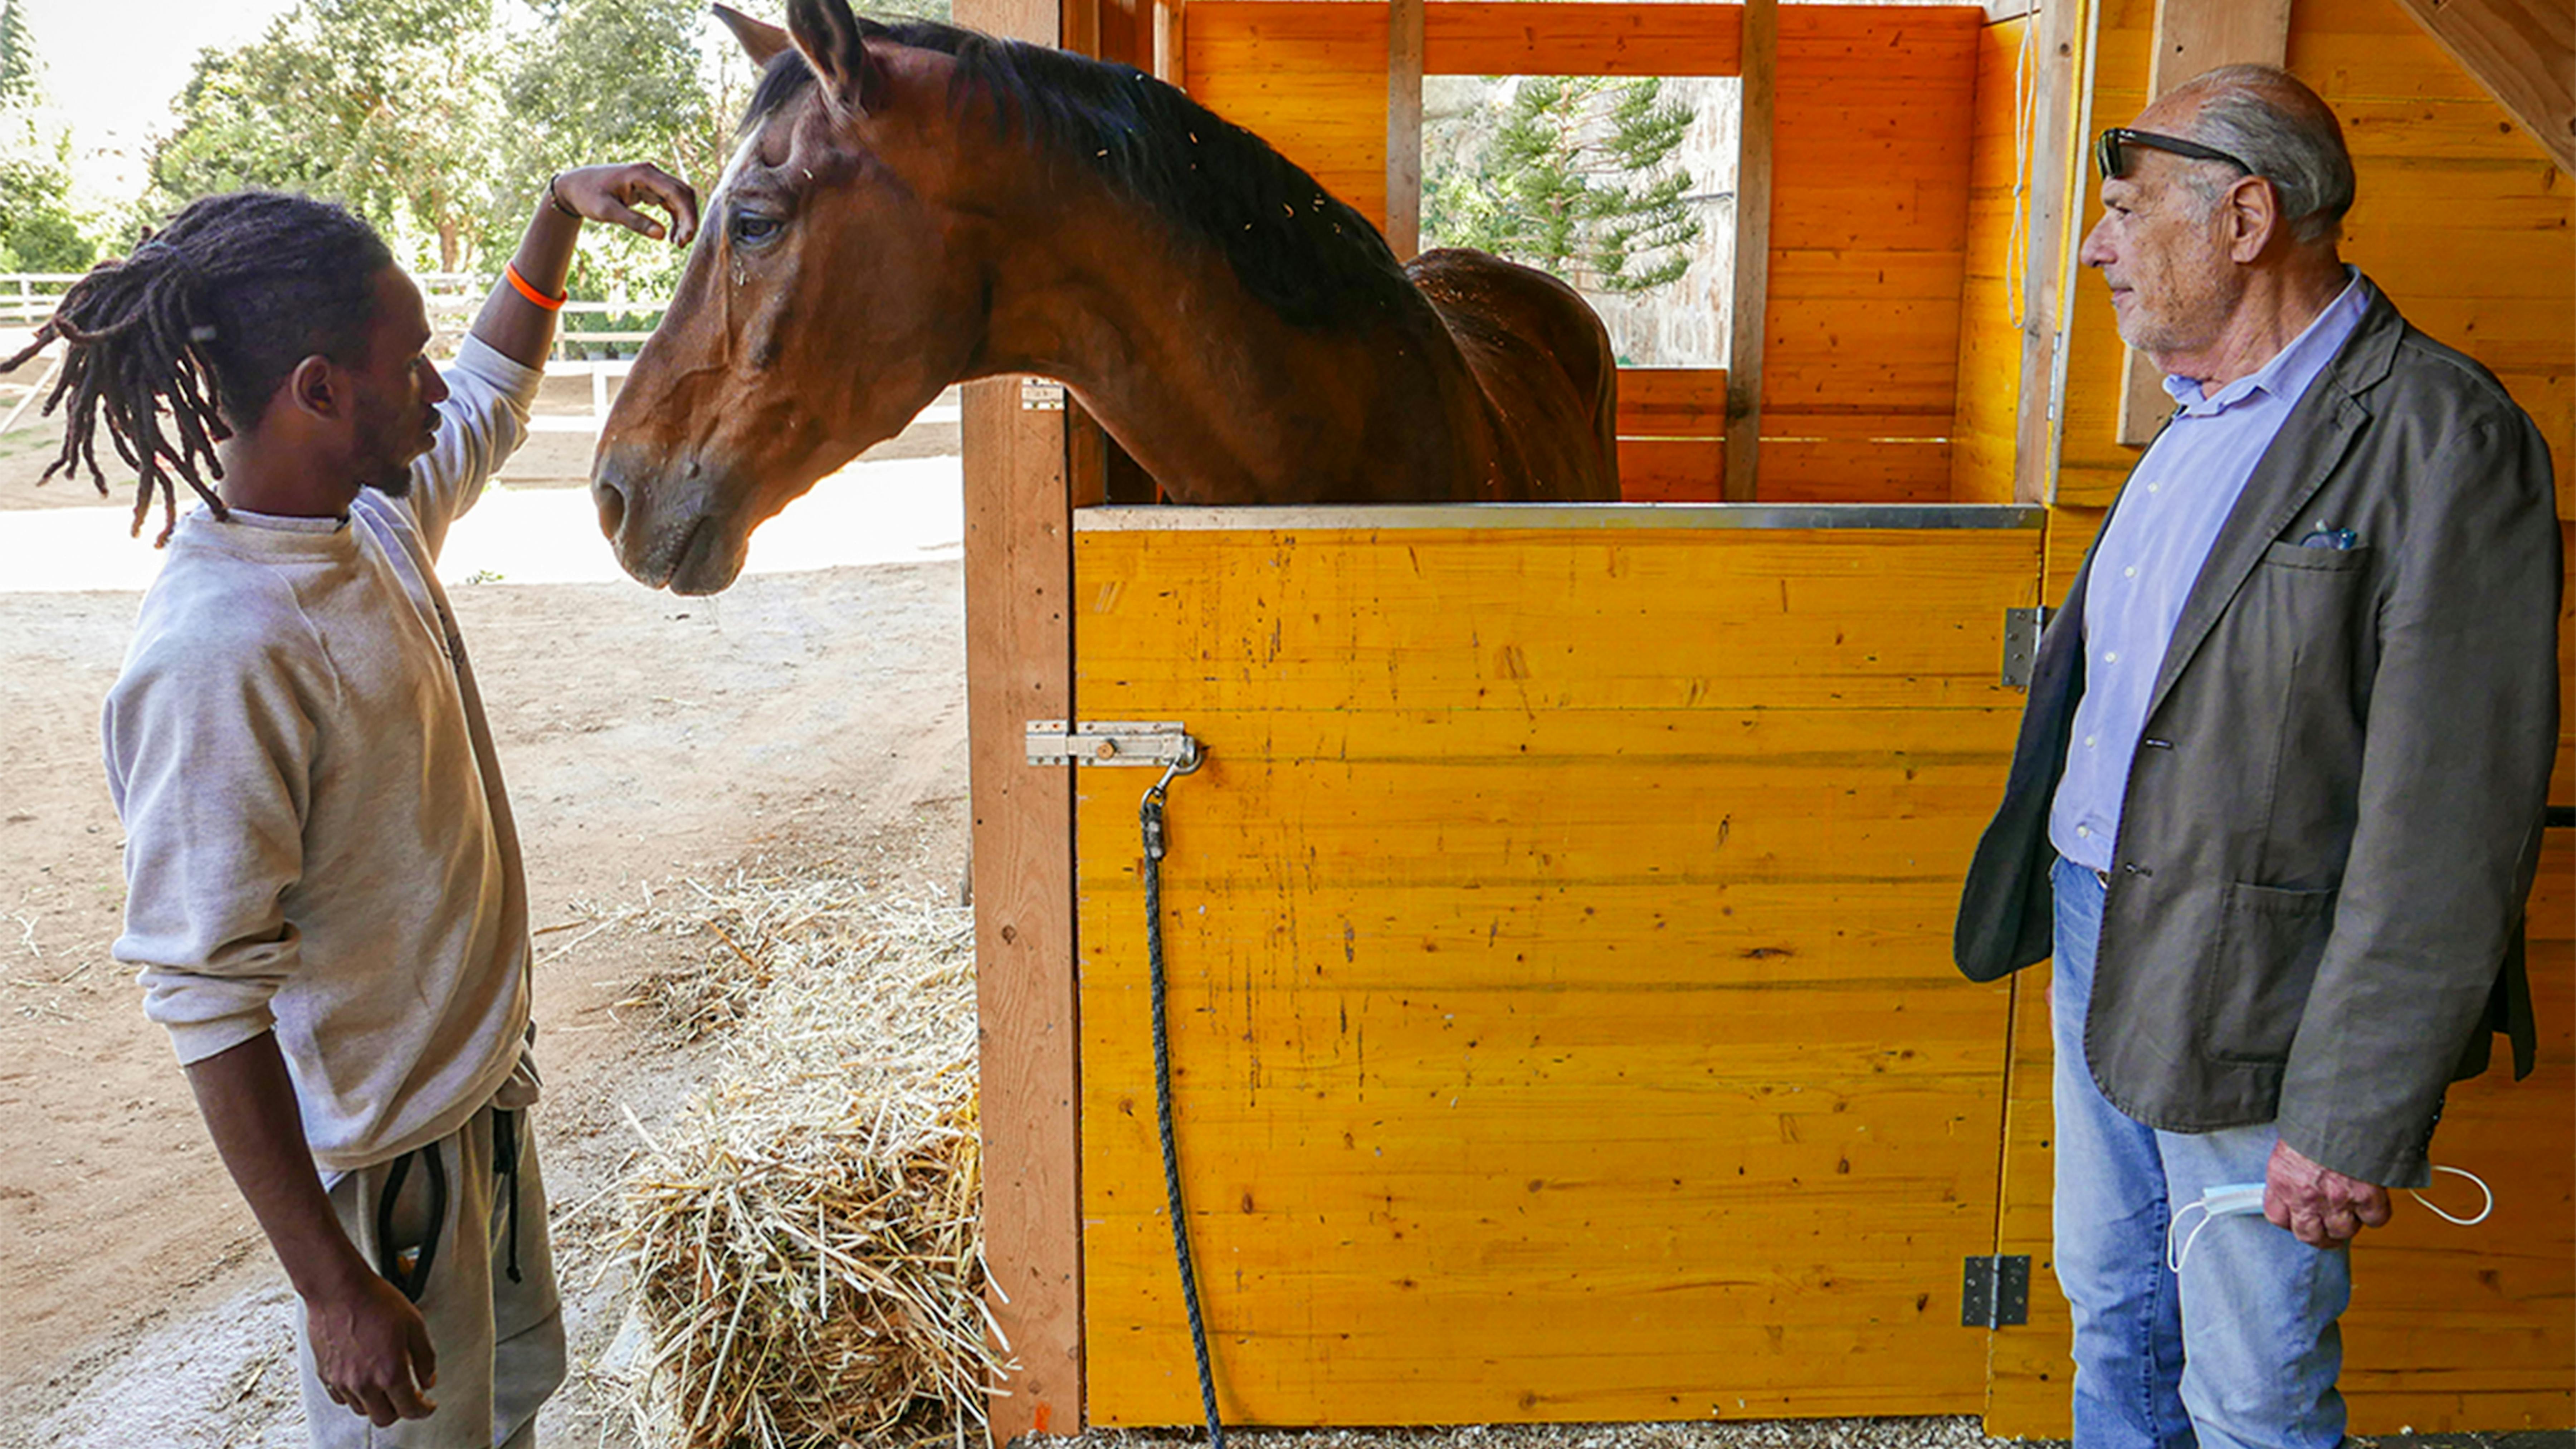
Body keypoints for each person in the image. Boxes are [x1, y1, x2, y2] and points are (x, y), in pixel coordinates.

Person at [5, 165, 697, 1445]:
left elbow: (486, 398)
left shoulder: (363, 519)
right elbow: (205, 996)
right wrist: (335, 1288)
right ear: (318, 390)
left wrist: (551, 216)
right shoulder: (221, 651)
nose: (434, 384)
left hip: (476, 1098)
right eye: (408, 358)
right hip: (390, 1172)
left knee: (501, 1413)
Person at [1952, 64, 2560, 1448]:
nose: (2100, 246)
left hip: (2266, 997)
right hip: (2105, 926)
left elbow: (2450, 829)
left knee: (2251, 1391)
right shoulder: (2194, 413)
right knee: (2110, 1306)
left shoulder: (2443, 441)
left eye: (2124, 208)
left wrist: (2350, 1113)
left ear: (2245, 217)